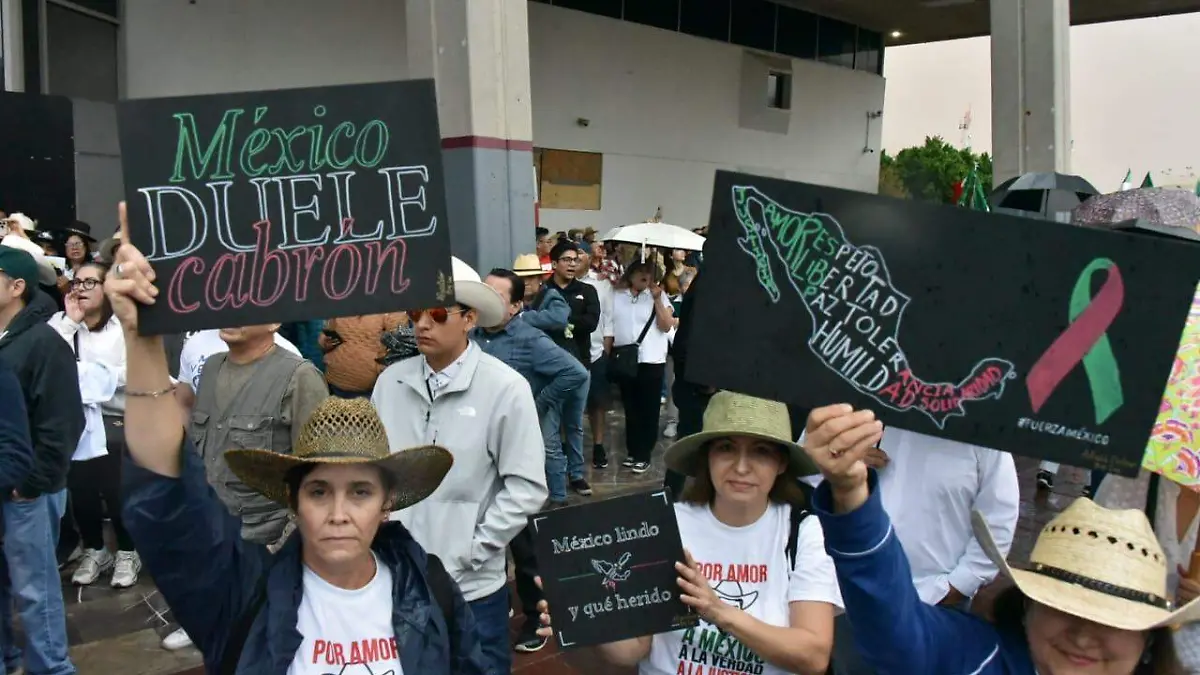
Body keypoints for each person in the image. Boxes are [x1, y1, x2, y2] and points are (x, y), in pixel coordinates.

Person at [105, 203, 488, 674]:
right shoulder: (247, 598)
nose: (339, 514)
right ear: (294, 498)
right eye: (319, 490)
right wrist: (140, 337)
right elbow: (164, 504)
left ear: (387, 504)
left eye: (361, 491)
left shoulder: (434, 593)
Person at [800, 403, 1190, 674]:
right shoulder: (975, 659)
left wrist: (953, 586)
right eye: (1062, 607)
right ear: (1027, 609)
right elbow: (893, 629)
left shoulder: (983, 443)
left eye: (1114, 621)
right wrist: (850, 494)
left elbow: (1001, 520)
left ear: (1148, 642)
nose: (1084, 636)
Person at [546, 392, 843, 675]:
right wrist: (585, 615)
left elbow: (813, 656)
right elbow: (632, 652)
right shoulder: (664, 524)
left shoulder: (804, 533)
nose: (741, 467)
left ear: (781, 464)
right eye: (726, 448)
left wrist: (718, 611)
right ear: (707, 457)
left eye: (760, 451)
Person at [372, 256, 548, 675]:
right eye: (415, 313)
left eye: (435, 314)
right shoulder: (389, 383)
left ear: (469, 319)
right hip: (398, 580)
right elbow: (373, 469)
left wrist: (474, 549)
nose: (422, 325)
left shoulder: (506, 387)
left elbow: (526, 487)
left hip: (473, 588)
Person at [0, 244, 82, 675]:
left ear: (17, 287)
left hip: (29, 492)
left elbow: (63, 424)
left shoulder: (44, 342)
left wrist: (30, 484)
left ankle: (52, 668)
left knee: (36, 588)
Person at [47, 262, 143, 589]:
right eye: (78, 282)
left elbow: (133, 372)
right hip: (74, 420)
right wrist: (71, 324)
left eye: (91, 282)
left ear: (106, 288)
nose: (82, 288)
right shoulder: (62, 325)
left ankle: (128, 551)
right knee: (81, 491)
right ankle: (94, 549)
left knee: (116, 491)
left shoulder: (121, 328)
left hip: (114, 417)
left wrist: (88, 376)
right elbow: (45, 361)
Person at [610, 261, 675, 473]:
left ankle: (644, 453)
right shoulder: (617, 295)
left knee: (648, 408)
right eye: (640, 272)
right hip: (626, 358)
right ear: (630, 275)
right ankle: (632, 450)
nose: (645, 276)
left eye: (649, 273)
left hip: (652, 358)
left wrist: (657, 298)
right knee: (630, 407)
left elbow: (666, 325)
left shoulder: (658, 295)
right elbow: (610, 324)